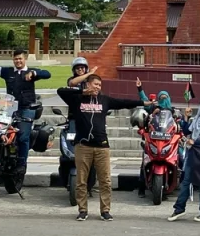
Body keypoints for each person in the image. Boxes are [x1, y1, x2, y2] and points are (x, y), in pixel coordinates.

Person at [56, 75, 143, 221]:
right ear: (87, 84)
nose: (98, 87)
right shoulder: (76, 99)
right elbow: (61, 91)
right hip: (83, 146)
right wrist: (83, 92)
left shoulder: (104, 100)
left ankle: (105, 211)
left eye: (99, 85)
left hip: (102, 146)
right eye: (95, 84)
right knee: (81, 181)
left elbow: (124, 102)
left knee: (105, 181)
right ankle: (83, 210)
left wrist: (143, 102)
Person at [0, 46, 51, 175]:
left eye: (20, 59)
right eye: (15, 59)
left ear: (25, 59)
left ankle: (21, 164)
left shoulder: (31, 72)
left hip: (27, 109)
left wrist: (35, 74)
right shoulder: (8, 72)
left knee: (23, 137)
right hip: (10, 108)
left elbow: (47, 74)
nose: (18, 61)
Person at [168, 94, 200, 222]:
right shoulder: (198, 118)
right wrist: (186, 117)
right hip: (193, 154)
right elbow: (186, 131)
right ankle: (179, 209)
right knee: (186, 181)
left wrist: (195, 142)